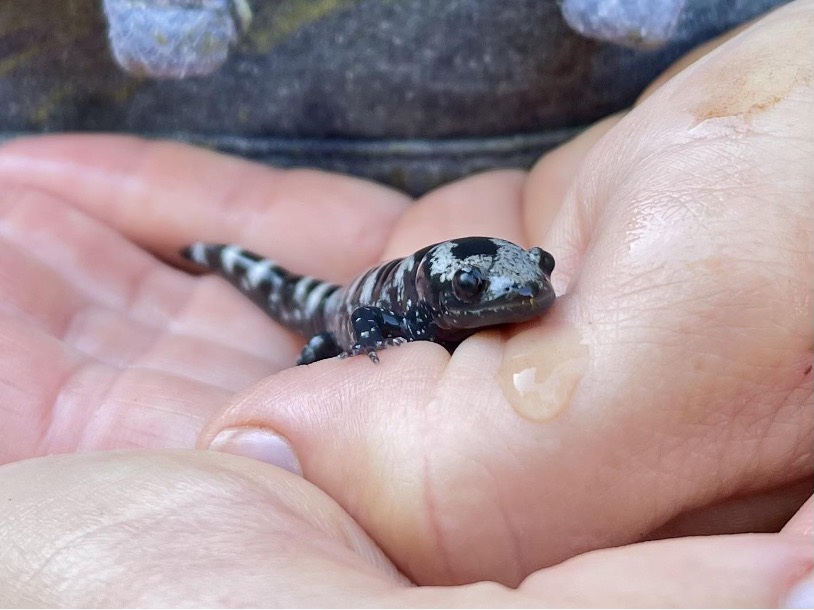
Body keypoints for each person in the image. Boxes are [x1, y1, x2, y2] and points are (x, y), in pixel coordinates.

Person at [0, 1, 811, 605]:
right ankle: (223, 260)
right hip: (334, 297)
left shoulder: (506, 276)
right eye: (478, 294)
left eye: (536, 273)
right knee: (323, 337)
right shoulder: (399, 308)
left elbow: (505, 276)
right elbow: (366, 327)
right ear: (441, 298)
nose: (522, 293)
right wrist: (348, 349)